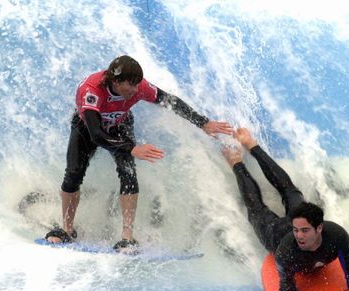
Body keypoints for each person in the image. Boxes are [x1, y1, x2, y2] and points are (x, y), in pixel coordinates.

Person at [45, 55, 233, 250]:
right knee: (73, 173)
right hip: (87, 128)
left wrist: (203, 123)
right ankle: (67, 229)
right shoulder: (91, 91)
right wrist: (132, 149)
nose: (137, 91)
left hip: (120, 125)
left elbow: (169, 101)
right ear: (116, 82)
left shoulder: (139, 87)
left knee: (129, 175)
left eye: (138, 85)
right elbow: (97, 135)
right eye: (131, 85)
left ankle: (127, 237)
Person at [222, 128, 349, 291]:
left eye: (304, 231)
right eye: (296, 230)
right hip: (275, 234)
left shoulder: (338, 237)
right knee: (256, 208)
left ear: (319, 228)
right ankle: (237, 160)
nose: (299, 236)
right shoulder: (286, 250)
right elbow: (286, 283)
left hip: (302, 222)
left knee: (290, 191)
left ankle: (251, 146)